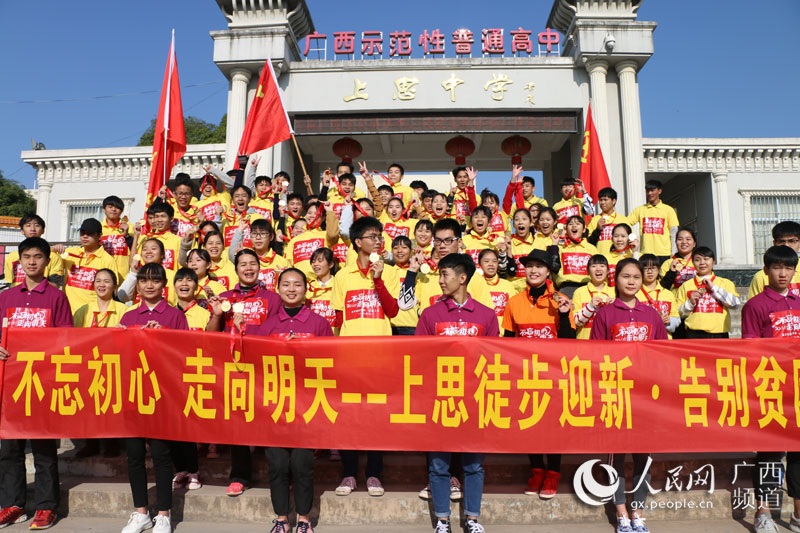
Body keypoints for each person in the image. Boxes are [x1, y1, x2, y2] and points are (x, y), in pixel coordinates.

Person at [245, 268, 332, 533]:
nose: (291, 289)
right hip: (276, 408)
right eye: (285, 284)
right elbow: (254, 363)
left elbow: (332, 362)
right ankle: (281, 518)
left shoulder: (318, 323)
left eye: (297, 284)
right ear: (278, 288)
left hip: (307, 406)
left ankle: (304, 519)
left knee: (303, 463)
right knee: (278, 464)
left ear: (306, 289)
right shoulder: (268, 326)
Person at [415, 254, 496, 533]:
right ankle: (442, 521)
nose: (440, 280)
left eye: (445, 274)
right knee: (439, 465)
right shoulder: (430, 315)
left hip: (475, 401)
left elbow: (495, 359)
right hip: (440, 400)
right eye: (439, 274)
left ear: (462, 278)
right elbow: (418, 357)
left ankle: (472, 519)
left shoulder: (487, 315)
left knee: (474, 465)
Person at [0, 237, 73, 530]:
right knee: (9, 448)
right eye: (27, 257)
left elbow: (67, 340)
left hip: (43, 384)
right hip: (9, 384)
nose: (32, 262)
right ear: (19, 261)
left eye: (38, 257)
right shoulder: (5, 297)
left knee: (43, 448)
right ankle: (12, 504)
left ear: (47, 261)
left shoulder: (56, 297)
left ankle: (45, 507)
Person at [590, 258, 667, 533]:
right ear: (616, 279)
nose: (632, 281)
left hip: (645, 396)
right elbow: (595, 357)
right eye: (626, 276)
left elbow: (663, 354)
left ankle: (639, 511)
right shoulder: (605, 315)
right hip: (615, 396)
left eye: (636, 276)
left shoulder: (652, 314)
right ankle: (621, 512)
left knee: (644, 456)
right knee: (617, 456)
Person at [332, 216, 401, 497]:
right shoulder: (341, 276)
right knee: (348, 416)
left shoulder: (391, 272)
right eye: (372, 236)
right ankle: (349, 473)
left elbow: (394, 311)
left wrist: (379, 278)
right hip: (350, 358)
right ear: (358, 242)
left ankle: (374, 474)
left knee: (376, 417)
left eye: (380, 235)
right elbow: (338, 318)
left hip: (380, 357)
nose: (378, 240)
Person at [118, 263, 188, 533]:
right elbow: (118, 356)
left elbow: (184, 354)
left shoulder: (174, 316)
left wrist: (162, 337)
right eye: (144, 280)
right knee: (134, 456)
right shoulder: (128, 317)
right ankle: (140, 513)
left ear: (163, 285)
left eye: (155, 281)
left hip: (163, 396)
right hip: (134, 394)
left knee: (160, 455)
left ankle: (163, 513)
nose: (149, 285)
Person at [206, 249, 282, 497]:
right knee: (238, 422)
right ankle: (240, 475)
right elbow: (210, 336)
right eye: (243, 265)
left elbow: (277, 331)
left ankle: (280, 476)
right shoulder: (224, 298)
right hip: (235, 368)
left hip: (264, 367)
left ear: (259, 268)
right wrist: (218, 315)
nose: (248, 268)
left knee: (272, 419)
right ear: (235, 270)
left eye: (253, 264)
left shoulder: (273, 298)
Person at [501, 249, 573, 499]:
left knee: (553, 426)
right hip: (525, 374)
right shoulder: (514, 301)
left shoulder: (561, 300)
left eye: (539, 267)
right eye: (529, 266)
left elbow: (569, 341)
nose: (533, 271)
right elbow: (508, 340)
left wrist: (563, 315)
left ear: (548, 271)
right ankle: (537, 470)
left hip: (553, 375)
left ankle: (553, 473)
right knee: (529, 422)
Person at [741, 245, 800, 533]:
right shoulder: (755, 306)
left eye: (788, 268)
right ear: (766, 270)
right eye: (777, 267)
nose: (783, 273)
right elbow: (751, 349)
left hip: (799, 390)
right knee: (769, 452)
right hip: (771, 389)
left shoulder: (799, 302)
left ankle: (798, 514)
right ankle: (762, 511)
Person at [71, 267, 127, 459]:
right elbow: (73, 338)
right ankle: (91, 443)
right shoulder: (83, 310)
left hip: (113, 365)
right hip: (88, 364)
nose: (102, 285)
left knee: (110, 405)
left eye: (107, 281)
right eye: (98, 281)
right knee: (88, 406)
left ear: (114, 286)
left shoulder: (122, 310)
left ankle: (112, 443)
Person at [399, 219, 493, 318]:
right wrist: (412, 270)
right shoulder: (426, 277)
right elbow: (404, 305)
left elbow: (487, 316)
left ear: (460, 242)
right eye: (438, 241)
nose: (442, 245)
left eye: (448, 241)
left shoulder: (473, 278)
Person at [675, 247, 740, 338]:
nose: (702, 263)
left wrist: (714, 288)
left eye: (706, 259)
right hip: (694, 334)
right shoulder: (686, 286)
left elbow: (735, 304)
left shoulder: (725, 283)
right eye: (697, 260)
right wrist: (690, 303)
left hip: (720, 334)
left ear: (713, 262)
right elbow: (678, 313)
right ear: (693, 263)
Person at [62, 218, 120, 313]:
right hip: (69, 313)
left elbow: (112, 290)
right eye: (82, 233)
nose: (85, 236)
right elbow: (45, 255)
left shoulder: (108, 260)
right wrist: (55, 248)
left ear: (99, 236)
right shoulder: (70, 253)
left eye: (89, 234)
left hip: (92, 314)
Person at [3, 214, 64, 287]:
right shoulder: (11, 257)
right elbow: (10, 283)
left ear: (43, 230)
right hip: (17, 297)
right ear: (22, 231)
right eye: (28, 225)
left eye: (37, 225)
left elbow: (55, 285)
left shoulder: (54, 257)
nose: (32, 229)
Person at [283, 201, 340, 278]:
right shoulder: (294, 240)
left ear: (323, 218)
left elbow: (333, 235)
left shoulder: (325, 235)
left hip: (321, 282)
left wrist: (330, 211)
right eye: (309, 213)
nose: (312, 216)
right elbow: (288, 263)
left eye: (316, 214)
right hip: (301, 284)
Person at [628, 179, 679, 262]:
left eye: (652, 190)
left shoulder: (668, 210)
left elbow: (674, 232)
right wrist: (632, 237)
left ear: (659, 191)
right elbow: (626, 224)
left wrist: (674, 252)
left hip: (664, 254)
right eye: (647, 191)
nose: (650, 193)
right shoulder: (640, 210)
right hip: (646, 254)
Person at [748, 221, 800, 298]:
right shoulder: (761, 277)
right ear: (774, 243)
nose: (786, 245)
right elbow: (754, 306)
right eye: (782, 241)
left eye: (791, 241)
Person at [572, 254, 615, 339]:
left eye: (602, 266)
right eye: (594, 266)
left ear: (607, 271)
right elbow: (575, 322)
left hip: (608, 344)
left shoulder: (614, 292)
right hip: (585, 343)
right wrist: (590, 307)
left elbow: (620, 322)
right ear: (588, 271)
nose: (598, 269)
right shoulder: (579, 292)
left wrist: (614, 308)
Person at [636, 254, 680, 337]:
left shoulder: (668, 294)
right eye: (645, 268)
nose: (650, 272)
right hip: (644, 340)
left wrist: (669, 321)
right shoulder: (635, 295)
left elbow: (677, 319)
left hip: (665, 340)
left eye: (653, 268)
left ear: (659, 269)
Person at [555, 215, 598, 296]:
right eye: (570, 224)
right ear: (566, 229)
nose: (574, 225)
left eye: (578, 223)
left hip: (587, 287)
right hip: (566, 288)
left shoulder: (592, 249)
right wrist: (554, 245)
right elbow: (554, 268)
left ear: (584, 229)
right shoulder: (560, 248)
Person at [135, 200, 182, 272]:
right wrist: (136, 236)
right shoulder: (144, 239)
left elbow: (181, 267)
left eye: (163, 216)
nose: (159, 220)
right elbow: (136, 263)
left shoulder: (178, 241)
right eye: (156, 217)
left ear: (171, 219)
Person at [479, 248, 520, 330]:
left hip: (503, 335)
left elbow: (514, 311)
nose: (491, 264)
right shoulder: (475, 285)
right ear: (480, 264)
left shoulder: (507, 285)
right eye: (486, 261)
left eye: (494, 261)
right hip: (482, 334)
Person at [388, 236, 419, 335]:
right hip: (391, 325)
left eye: (404, 247)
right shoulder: (386, 272)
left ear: (411, 251)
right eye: (396, 248)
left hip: (413, 325)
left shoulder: (418, 273)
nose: (399, 251)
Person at [587, 187, 630, 255]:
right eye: (600, 200)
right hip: (600, 261)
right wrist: (597, 230)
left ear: (614, 201)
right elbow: (588, 243)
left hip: (618, 259)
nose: (602, 202)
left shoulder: (623, 220)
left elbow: (630, 241)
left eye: (605, 200)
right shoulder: (594, 220)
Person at [100, 195, 133, 279]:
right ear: (104, 209)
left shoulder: (130, 227)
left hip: (124, 276)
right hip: (102, 274)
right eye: (110, 207)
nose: (113, 209)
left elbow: (137, 249)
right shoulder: (98, 228)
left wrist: (127, 235)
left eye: (117, 208)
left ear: (121, 211)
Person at [658, 227, 697, 293]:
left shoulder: (699, 262)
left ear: (694, 244)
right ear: (676, 243)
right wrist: (671, 272)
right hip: (674, 301)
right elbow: (661, 288)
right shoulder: (668, 263)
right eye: (680, 239)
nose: (684, 242)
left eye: (688, 239)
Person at [307, 247, 337, 332]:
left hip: (334, 335)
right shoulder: (307, 287)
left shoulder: (339, 284)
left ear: (331, 264)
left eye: (320, 261)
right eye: (313, 262)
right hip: (312, 336)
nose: (315, 264)